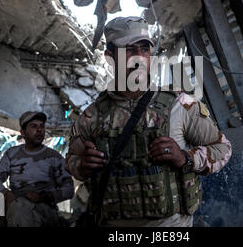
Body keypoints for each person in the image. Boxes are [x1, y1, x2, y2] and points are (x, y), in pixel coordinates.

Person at [65, 16, 232, 227]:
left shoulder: (181, 104)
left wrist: (185, 158)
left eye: (144, 50)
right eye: (130, 50)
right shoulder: (92, 116)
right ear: (109, 56)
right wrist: (82, 165)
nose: (139, 58)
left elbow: (223, 149)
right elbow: (71, 162)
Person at [0, 111, 74, 227]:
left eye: (42, 126)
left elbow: (69, 189)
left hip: (42, 209)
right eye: (34, 126)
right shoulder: (12, 154)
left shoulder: (54, 157)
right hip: (11, 202)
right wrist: (6, 194)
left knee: (20, 207)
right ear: (23, 133)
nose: (39, 130)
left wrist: (44, 196)